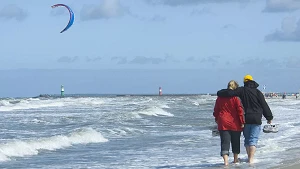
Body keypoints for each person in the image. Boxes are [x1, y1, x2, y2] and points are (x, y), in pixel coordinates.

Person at [217, 74, 273, 164]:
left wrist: (219, 93)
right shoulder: (258, 92)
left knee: (247, 139)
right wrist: (269, 117)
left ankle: (248, 158)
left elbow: (230, 93)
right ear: (252, 81)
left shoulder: (241, 90)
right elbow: (264, 105)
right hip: (256, 118)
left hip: (246, 118)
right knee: (253, 139)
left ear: (244, 82)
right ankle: (251, 159)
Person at [213, 80, 245, 166]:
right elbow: (240, 110)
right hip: (235, 122)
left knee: (224, 142)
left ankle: (226, 162)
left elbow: (216, 109)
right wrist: (242, 121)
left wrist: (216, 118)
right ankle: (235, 159)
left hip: (223, 121)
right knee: (235, 141)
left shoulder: (219, 97)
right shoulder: (236, 98)